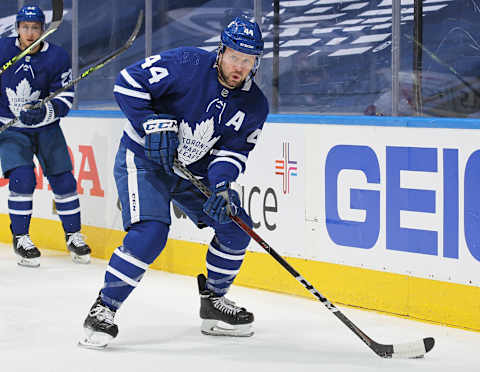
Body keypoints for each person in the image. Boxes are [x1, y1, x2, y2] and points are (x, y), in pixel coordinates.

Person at [79, 16, 269, 349]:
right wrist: (150, 121)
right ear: (221, 51)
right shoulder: (186, 63)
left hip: (191, 173)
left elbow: (232, 153)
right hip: (144, 159)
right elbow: (126, 83)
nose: (239, 66)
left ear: (255, 63)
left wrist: (222, 186)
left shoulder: (255, 104)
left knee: (236, 226)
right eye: (234, 56)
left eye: (247, 60)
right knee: (151, 233)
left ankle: (213, 301)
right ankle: (103, 309)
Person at [0, 6, 91, 267]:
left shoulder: (57, 56)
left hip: (46, 128)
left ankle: (73, 236)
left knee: (63, 181)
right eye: (25, 27)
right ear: (17, 28)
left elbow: (65, 96)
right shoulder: (2, 50)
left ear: (43, 30)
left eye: (35, 28)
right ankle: (21, 238)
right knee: (22, 179)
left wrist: (44, 112)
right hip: (11, 128)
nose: (30, 33)